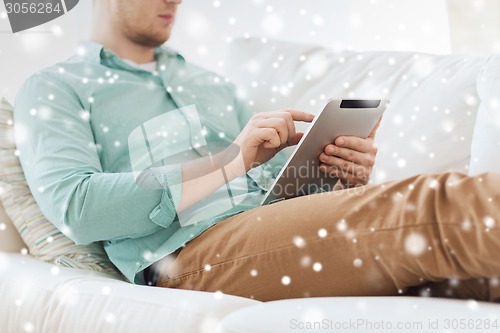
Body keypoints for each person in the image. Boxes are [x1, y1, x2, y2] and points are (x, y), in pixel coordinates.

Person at [14, 0, 500, 302]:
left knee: (477, 280)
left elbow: (264, 193)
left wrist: (335, 175)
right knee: (436, 203)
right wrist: (232, 159)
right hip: (183, 257)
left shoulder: (211, 85)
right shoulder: (55, 87)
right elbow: (78, 208)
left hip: (266, 229)